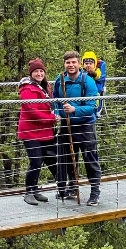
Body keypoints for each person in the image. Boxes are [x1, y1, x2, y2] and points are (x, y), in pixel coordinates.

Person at [53, 50, 102, 205]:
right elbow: (55, 99)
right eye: (68, 62)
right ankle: (73, 186)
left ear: (79, 63)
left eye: (74, 62)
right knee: (68, 158)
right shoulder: (59, 80)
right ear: (64, 64)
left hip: (86, 125)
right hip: (66, 126)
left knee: (90, 158)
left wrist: (75, 110)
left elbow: (92, 105)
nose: (71, 65)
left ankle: (95, 192)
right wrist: (57, 112)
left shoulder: (88, 81)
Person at [17, 58, 61, 205]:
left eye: (41, 71)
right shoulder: (27, 88)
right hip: (31, 131)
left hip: (43, 130)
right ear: (31, 74)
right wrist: (52, 118)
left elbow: (51, 104)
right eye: (36, 71)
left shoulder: (45, 87)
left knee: (45, 159)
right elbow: (32, 111)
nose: (39, 73)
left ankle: (35, 190)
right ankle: (28, 192)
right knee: (36, 161)